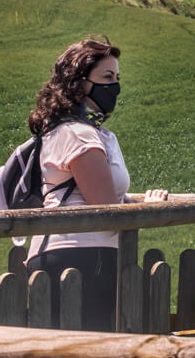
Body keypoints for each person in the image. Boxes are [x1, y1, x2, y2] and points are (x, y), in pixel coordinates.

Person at [23, 38, 169, 331]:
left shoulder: (83, 131)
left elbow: (101, 197)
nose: (114, 86)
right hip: (82, 256)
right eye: (106, 77)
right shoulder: (79, 135)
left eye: (116, 78)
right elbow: (106, 212)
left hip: (76, 253)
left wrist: (130, 204)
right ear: (79, 84)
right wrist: (148, 211)